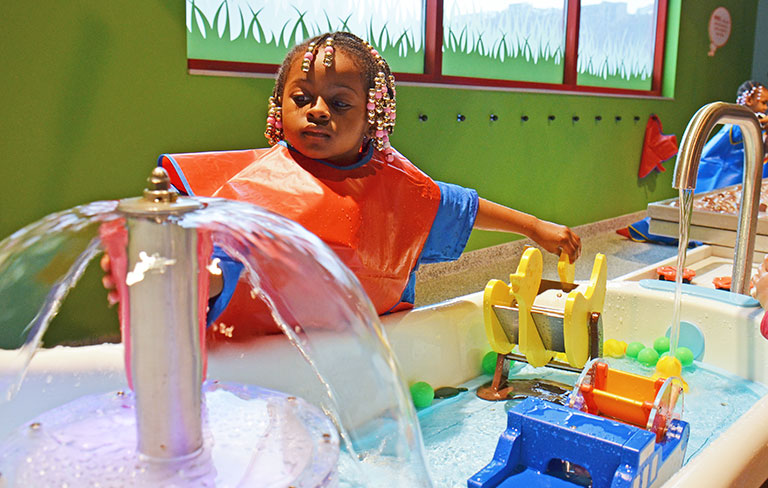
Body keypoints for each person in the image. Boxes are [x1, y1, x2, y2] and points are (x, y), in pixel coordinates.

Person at [103, 31, 581, 340]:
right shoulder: (255, 183)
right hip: (269, 346)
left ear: (372, 115)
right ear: (279, 107)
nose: (317, 110)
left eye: (339, 102)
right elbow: (238, 264)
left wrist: (534, 227)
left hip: (359, 343)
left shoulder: (396, 185)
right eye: (301, 97)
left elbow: (460, 208)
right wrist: (184, 276)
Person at [621, 80, 768, 244]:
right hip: (716, 173)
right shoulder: (740, 123)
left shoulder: (750, 123)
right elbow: (745, 133)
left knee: (708, 213)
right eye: (763, 103)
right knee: (698, 212)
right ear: (748, 101)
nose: (764, 108)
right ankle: (645, 229)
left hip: (731, 174)